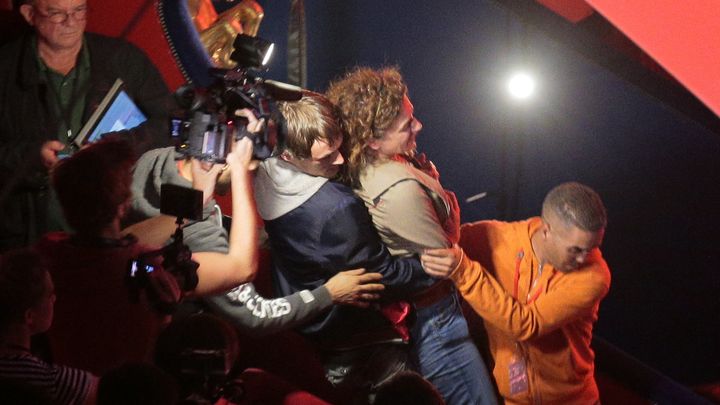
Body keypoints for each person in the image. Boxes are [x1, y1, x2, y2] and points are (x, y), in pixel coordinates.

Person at [127, 109, 386, 334]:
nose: (254, 172)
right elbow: (256, 314)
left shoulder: (157, 159)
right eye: (253, 165)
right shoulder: (202, 237)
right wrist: (328, 293)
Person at [327, 66, 497, 405]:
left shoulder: (369, 165)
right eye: (407, 125)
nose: (418, 126)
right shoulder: (399, 192)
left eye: (412, 115)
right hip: (437, 324)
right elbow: (444, 257)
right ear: (372, 139)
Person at [254, 92, 436, 402]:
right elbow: (382, 277)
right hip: (366, 347)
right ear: (288, 156)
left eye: (339, 148)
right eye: (326, 157)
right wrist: (431, 267)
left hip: (320, 337)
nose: (339, 160)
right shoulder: (336, 209)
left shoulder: (265, 172)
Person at [35, 135, 258, 374]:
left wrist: (196, 201)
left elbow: (117, 242)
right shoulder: (150, 272)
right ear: (125, 204)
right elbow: (242, 267)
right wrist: (239, 170)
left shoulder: (46, 255)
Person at [0, 0, 174, 252]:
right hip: (29, 241)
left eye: (79, 10)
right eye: (57, 13)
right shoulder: (5, 70)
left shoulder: (122, 59)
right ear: (30, 14)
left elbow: (169, 123)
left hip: (115, 237)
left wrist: (114, 147)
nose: (71, 22)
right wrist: (31, 158)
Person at [422, 182, 612, 405]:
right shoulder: (499, 237)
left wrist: (463, 273)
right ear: (547, 229)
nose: (583, 258)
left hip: (572, 401)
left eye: (592, 248)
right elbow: (442, 246)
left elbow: (526, 324)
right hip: (515, 400)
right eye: (576, 250)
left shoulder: (595, 276)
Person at [0, 248, 98, 405]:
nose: (54, 299)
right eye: (50, 294)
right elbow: (115, 392)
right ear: (29, 316)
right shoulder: (49, 381)